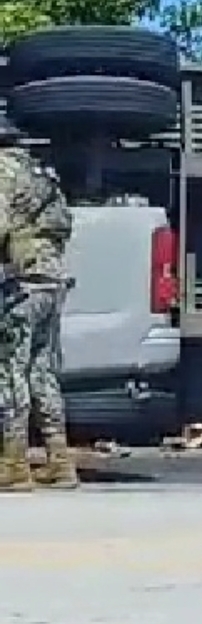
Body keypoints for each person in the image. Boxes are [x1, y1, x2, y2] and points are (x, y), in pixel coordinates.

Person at [0, 115, 76, 491]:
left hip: (19, 285)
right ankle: (59, 461)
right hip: (51, 280)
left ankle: (13, 464)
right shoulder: (43, 172)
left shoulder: (2, 171)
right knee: (42, 372)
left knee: (9, 370)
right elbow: (65, 222)